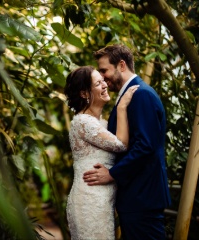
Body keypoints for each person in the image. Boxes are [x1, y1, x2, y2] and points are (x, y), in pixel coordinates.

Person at [83, 44, 171, 240]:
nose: (102, 76)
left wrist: (112, 174)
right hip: (135, 197)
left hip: (142, 197)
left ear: (121, 65)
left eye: (104, 70)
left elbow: (145, 146)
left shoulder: (141, 95)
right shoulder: (129, 95)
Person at [64, 65, 138, 240]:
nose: (105, 85)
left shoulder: (101, 124)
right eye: (98, 83)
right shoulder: (82, 122)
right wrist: (122, 107)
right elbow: (121, 145)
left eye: (103, 80)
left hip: (102, 202)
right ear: (84, 93)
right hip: (89, 202)